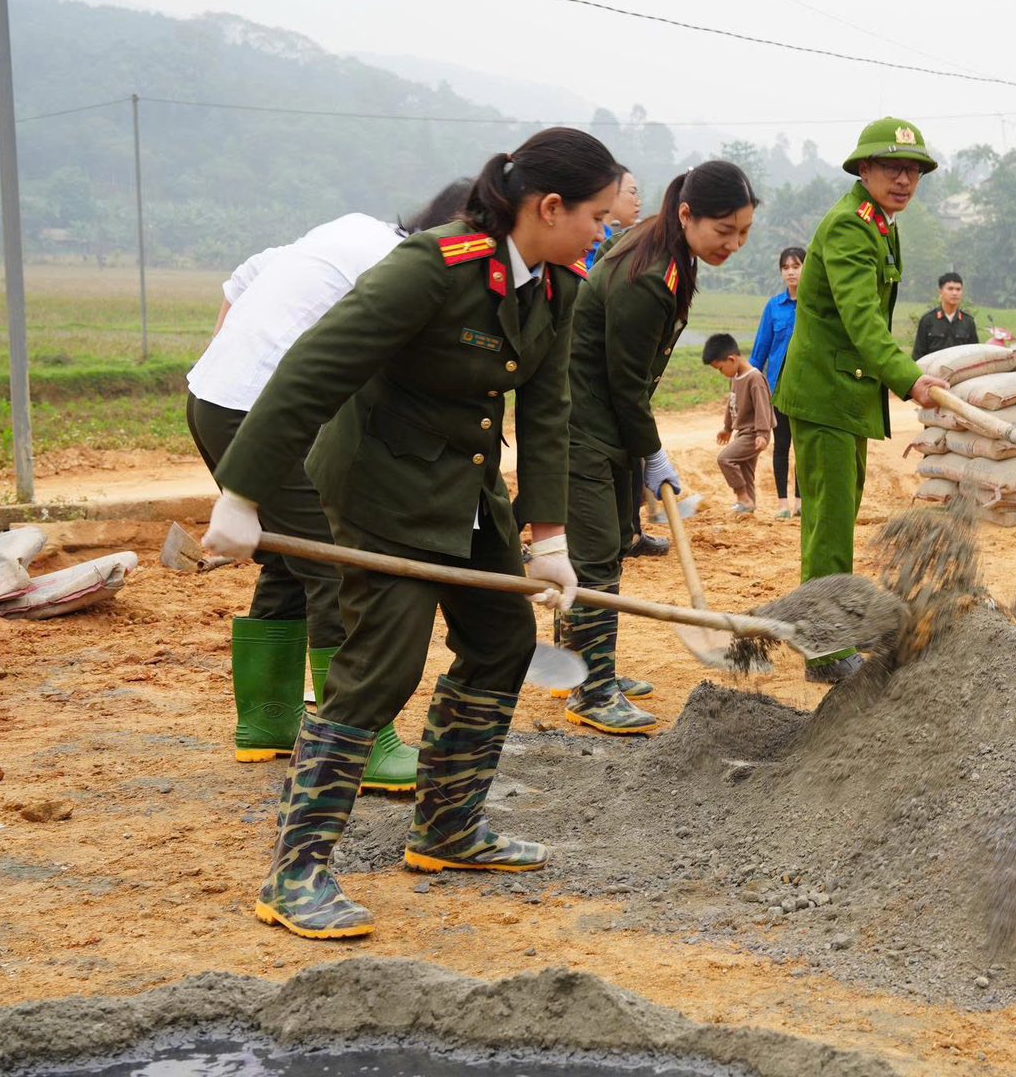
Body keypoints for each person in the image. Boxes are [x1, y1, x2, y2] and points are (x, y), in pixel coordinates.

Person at [203, 127, 622, 939]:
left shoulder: (557, 285)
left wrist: (548, 537)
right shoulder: (432, 267)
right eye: (597, 216)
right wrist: (243, 494)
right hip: (381, 488)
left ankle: (448, 828)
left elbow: (548, 412)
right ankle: (296, 874)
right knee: (381, 667)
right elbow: (314, 368)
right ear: (549, 207)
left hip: (465, 486)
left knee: (503, 639)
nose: (602, 233)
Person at [188, 179, 470, 791]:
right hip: (262, 415)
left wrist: (228, 359)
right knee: (339, 568)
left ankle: (267, 722)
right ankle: (360, 744)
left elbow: (244, 278)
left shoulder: (355, 227)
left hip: (213, 397)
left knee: (288, 556)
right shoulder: (408, 269)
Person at [561, 160, 759, 736]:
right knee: (596, 555)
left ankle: (583, 669)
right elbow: (625, 383)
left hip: (608, 419)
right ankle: (592, 689)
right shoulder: (649, 276)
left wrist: (642, 452)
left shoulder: (668, 250)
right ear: (688, 214)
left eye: (744, 232)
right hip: (582, 421)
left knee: (603, 547)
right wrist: (652, 454)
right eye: (724, 230)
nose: (734, 244)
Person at [774, 116, 950, 683]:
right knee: (828, 524)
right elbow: (863, 321)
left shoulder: (881, 224)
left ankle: (830, 632)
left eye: (914, 171)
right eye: (892, 168)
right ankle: (825, 651)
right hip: (825, 393)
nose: (904, 180)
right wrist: (910, 378)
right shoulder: (851, 228)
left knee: (837, 514)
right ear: (865, 168)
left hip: (844, 394)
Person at [751, 246, 804, 518]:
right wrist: (748, 385)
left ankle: (801, 502)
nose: (791, 272)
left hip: (807, 389)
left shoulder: (814, 306)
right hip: (778, 388)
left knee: (804, 447)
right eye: (786, 267)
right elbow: (761, 349)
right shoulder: (774, 307)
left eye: (796, 266)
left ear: (806, 268)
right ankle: (783, 504)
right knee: (781, 445)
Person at [706, 332, 775, 513]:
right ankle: (748, 506)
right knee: (745, 471)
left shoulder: (755, 378)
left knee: (725, 458)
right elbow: (732, 402)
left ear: (731, 359)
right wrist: (727, 428)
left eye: (720, 369)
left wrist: (762, 433)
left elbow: (763, 407)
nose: (721, 373)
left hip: (754, 434)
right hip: (743, 432)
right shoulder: (736, 377)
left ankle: (742, 497)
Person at [912, 271, 978, 360]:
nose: (955, 293)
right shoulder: (928, 320)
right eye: (950, 289)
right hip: (933, 368)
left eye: (958, 289)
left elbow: (974, 355)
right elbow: (918, 355)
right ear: (940, 292)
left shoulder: (968, 322)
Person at [584, 167, 643, 268]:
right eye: (632, 192)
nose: (638, 202)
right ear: (609, 193)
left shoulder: (626, 241)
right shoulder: (588, 243)